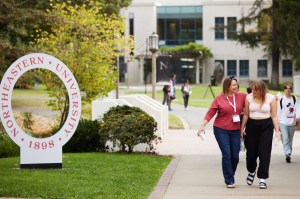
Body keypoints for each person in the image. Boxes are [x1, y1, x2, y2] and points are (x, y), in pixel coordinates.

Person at [197, 76, 247, 188]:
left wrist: (273, 98)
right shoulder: (219, 99)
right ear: (227, 86)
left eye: (237, 84)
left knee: (235, 156)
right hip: (221, 130)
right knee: (227, 154)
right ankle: (229, 180)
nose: (236, 86)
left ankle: (230, 174)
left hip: (235, 130)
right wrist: (202, 126)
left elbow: (255, 97)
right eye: (234, 84)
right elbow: (210, 113)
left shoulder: (242, 97)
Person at [240, 80, 281, 189]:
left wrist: (277, 131)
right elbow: (246, 115)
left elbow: (274, 116)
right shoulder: (248, 97)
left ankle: (263, 178)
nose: (253, 93)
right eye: (252, 90)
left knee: (264, 153)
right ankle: (252, 171)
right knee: (251, 154)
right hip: (251, 126)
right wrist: (242, 128)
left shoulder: (271, 98)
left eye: (256, 91)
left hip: (266, 126)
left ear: (262, 90)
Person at [277, 83, 300, 163]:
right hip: (283, 122)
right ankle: (287, 154)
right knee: (286, 138)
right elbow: (278, 112)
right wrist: (278, 123)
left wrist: (297, 117)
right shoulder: (281, 100)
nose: (288, 90)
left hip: (292, 122)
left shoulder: (294, 98)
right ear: (284, 90)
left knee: (290, 139)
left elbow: (297, 108)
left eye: (290, 88)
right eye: (286, 88)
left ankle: (289, 153)